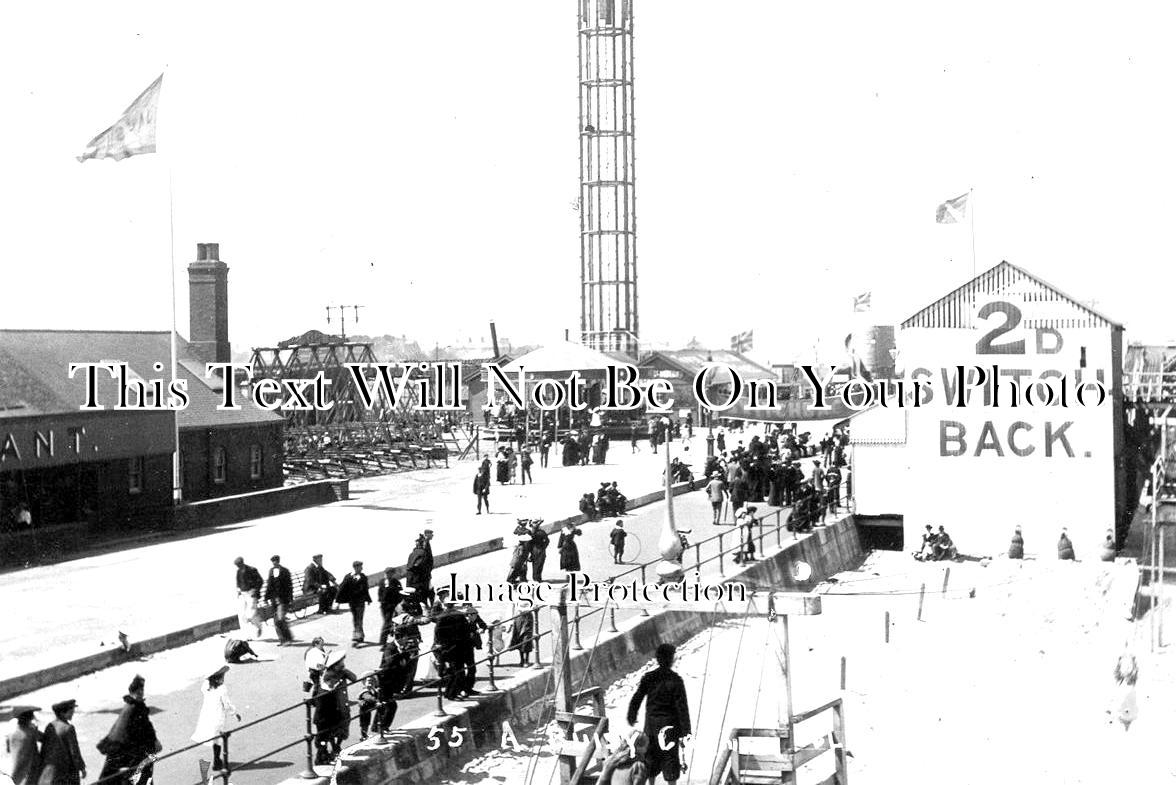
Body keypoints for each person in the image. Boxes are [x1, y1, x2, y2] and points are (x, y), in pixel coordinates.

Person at [626, 644, 691, 785]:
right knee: (670, 759)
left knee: (650, 759)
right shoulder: (676, 680)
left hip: (651, 727)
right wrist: (686, 731)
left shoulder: (649, 677)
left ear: (657, 658)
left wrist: (631, 715)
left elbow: (637, 697)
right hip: (670, 728)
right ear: (671, 659)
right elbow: (682, 708)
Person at [97, 675, 161, 785]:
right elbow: (142, 729)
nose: (141, 693)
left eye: (142, 690)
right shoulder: (134, 708)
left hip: (127, 748)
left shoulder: (133, 706)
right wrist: (154, 742)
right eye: (138, 691)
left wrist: (154, 740)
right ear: (133, 692)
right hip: (131, 749)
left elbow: (146, 727)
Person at [191, 666, 240, 772]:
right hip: (218, 716)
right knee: (218, 739)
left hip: (208, 714)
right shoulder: (222, 689)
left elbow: (204, 688)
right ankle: (217, 761)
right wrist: (234, 713)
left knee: (214, 738)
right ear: (218, 679)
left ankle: (217, 760)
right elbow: (226, 704)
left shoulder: (206, 687)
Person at [36, 700, 84, 785]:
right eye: (70, 712)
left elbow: (45, 746)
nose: (72, 714)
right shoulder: (69, 728)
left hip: (50, 769)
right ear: (62, 713)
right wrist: (82, 768)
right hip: (66, 770)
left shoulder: (50, 726)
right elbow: (74, 751)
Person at [3, 706, 41, 785]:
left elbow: (8, 750)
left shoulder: (14, 731)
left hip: (19, 769)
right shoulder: (28, 733)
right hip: (27, 771)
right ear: (28, 718)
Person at [337, 561, 372, 646]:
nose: (362, 569)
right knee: (355, 618)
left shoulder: (363, 577)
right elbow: (342, 588)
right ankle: (358, 634)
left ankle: (358, 636)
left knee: (359, 618)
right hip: (352, 601)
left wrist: (368, 599)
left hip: (360, 601)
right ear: (355, 568)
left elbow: (365, 589)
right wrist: (338, 600)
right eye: (360, 567)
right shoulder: (348, 577)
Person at [264, 555, 295, 646]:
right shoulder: (271, 571)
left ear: (278, 561)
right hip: (274, 600)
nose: (275, 563)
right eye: (273, 561)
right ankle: (283, 640)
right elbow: (269, 585)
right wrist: (266, 598)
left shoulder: (285, 571)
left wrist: (290, 599)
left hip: (283, 600)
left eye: (276, 561)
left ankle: (288, 638)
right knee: (276, 621)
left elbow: (289, 586)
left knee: (280, 619)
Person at [233, 557, 264, 639]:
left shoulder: (252, 570)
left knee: (251, 614)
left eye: (238, 564)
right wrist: (238, 590)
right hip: (243, 594)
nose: (238, 566)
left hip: (251, 593)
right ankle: (249, 635)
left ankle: (259, 627)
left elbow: (260, 581)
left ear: (242, 563)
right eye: (237, 565)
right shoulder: (238, 571)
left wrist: (256, 591)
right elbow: (238, 582)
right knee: (243, 615)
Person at [1110, 653, 1139, 731]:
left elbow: (1117, 674)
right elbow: (1134, 673)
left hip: (1125, 696)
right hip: (1127, 695)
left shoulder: (1124, 681)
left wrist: (1119, 662)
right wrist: (1134, 661)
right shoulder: (1130, 681)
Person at [407, 531, 435, 605]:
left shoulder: (412, 554)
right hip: (422, 580)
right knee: (429, 594)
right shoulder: (423, 552)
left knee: (422, 598)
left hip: (414, 581)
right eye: (431, 534)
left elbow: (409, 568)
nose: (433, 535)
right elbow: (424, 564)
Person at [377, 570, 402, 648]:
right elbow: (380, 593)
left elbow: (400, 593)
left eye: (389, 573)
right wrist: (381, 600)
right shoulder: (382, 582)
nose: (387, 575)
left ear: (392, 574)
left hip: (393, 606)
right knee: (387, 623)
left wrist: (398, 604)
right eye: (386, 573)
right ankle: (385, 641)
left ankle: (384, 642)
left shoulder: (396, 582)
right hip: (384, 606)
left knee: (389, 623)